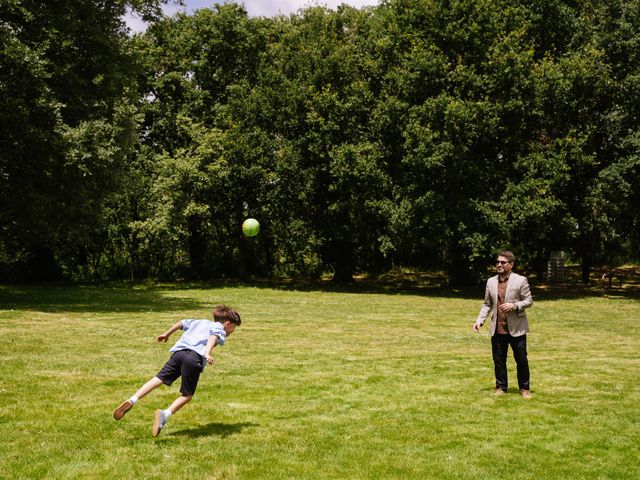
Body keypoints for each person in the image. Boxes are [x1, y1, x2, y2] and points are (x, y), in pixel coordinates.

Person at [113, 305, 241, 436]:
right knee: (187, 395)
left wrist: (166, 334)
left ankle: (132, 399)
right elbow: (213, 337)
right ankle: (164, 414)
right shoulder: (220, 329)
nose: (233, 331)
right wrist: (207, 353)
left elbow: (181, 323)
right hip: (193, 358)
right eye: (234, 327)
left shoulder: (200, 322)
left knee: (158, 379)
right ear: (227, 324)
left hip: (178, 354)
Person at [473, 251, 533, 398]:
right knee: (498, 360)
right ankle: (501, 387)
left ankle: (524, 388)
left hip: (516, 328)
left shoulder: (521, 280)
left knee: (521, 359)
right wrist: (480, 320)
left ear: (511, 264)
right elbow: (487, 304)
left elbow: (529, 301)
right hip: (497, 328)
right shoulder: (490, 281)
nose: (499, 265)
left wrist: (515, 305)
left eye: (503, 262)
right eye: (497, 262)